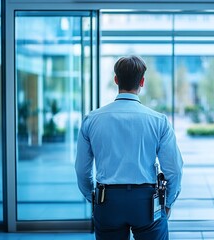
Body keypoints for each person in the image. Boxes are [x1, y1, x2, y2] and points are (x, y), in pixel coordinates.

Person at [75, 55, 183, 240]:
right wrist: (167, 204)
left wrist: (93, 199)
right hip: (147, 203)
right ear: (142, 81)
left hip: (107, 200)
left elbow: (82, 171)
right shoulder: (159, 121)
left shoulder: (92, 120)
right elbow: (174, 170)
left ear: (116, 80)